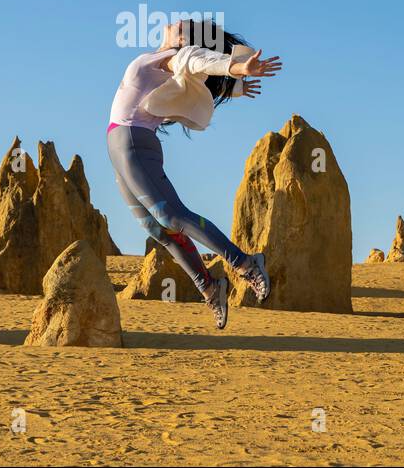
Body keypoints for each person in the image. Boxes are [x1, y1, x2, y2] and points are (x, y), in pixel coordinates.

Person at [107, 17, 283, 328]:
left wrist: (237, 68)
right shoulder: (157, 59)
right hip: (120, 148)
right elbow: (196, 75)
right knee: (159, 230)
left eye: (185, 25)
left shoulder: (178, 55)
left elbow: (200, 60)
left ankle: (245, 263)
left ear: (185, 40)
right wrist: (236, 88)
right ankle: (211, 288)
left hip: (133, 143)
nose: (177, 21)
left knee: (172, 217)